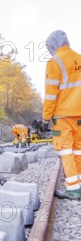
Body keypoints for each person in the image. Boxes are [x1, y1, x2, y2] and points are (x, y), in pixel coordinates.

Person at [44, 30, 81, 199]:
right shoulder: (79, 58)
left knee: (66, 151)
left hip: (63, 116)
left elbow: (51, 93)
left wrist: (46, 117)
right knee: (78, 150)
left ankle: (73, 189)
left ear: (53, 46)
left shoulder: (55, 61)